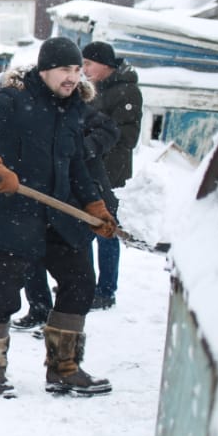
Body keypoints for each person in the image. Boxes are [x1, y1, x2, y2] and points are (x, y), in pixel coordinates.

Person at [0, 35, 116, 399]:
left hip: (59, 216)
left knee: (79, 282)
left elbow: (75, 163)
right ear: (44, 71)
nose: (72, 77)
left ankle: (64, 368)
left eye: (76, 69)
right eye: (64, 70)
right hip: (14, 214)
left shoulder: (72, 108)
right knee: (3, 295)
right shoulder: (15, 100)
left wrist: (94, 205)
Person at [13, 101, 119, 334]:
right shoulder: (26, 112)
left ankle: (62, 326)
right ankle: (40, 309)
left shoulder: (73, 109)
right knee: (32, 253)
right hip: (44, 198)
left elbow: (110, 129)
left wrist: (78, 150)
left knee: (75, 268)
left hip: (81, 199)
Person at [81, 41, 143, 310]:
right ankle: (83, 283)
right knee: (83, 227)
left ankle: (106, 291)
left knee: (105, 229)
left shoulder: (127, 91)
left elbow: (127, 136)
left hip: (111, 173)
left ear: (105, 64)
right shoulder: (93, 90)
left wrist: (96, 139)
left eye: (88, 64)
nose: (84, 69)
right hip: (88, 168)